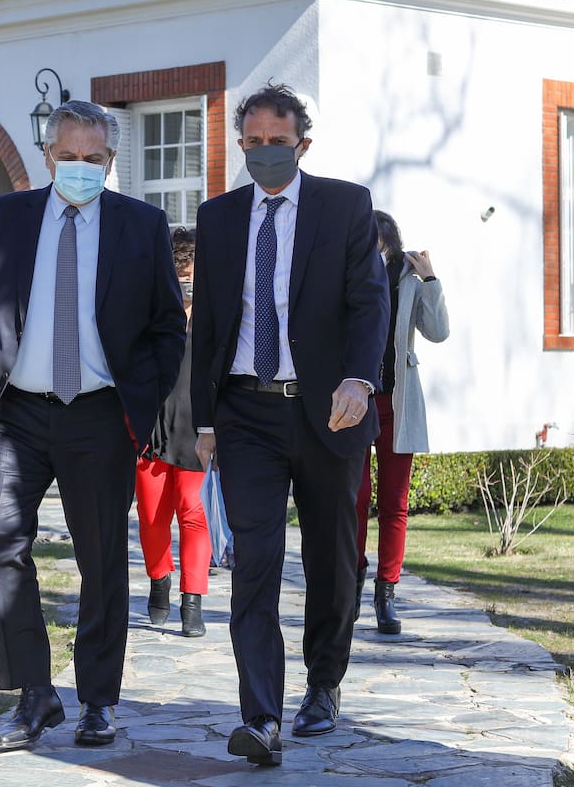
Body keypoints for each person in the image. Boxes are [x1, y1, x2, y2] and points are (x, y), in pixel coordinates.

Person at [0, 100, 186, 752]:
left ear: (110, 163)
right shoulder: (6, 218)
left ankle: (99, 703)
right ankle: (35, 695)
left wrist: (144, 394)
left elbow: (170, 325)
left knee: (102, 562)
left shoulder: (142, 225)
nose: (81, 167)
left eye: (95, 159)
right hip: (15, 413)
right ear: (48, 155)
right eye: (70, 156)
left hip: (100, 416)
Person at [190, 83, 389, 766]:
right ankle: (261, 716)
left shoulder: (344, 206)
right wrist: (205, 419)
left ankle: (323, 685)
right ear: (240, 145)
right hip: (246, 412)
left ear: (303, 143)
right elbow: (209, 325)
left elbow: (370, 302)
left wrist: (361, 380)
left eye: (278, 143)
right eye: (253, 144)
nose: (265, 154)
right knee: (256, 561)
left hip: (329, 411)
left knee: (332, 559)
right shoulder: (217, 218)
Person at [354, 210, 450, 635]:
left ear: (390, 242)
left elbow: (438, 331)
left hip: (398, 400)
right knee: (354, 498)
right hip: (358, 401)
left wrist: (430, 280)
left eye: (378, 242)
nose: (373, 250)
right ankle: (351, 583)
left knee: (394, 503)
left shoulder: (408, 281)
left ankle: (386, 592)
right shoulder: (348, 275)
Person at [137, 226, 210, 638]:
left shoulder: (216, 314)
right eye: (181, 273)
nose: (187, 282)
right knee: (151, 517)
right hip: (151, 426)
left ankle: (192, 599)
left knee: (192, 511)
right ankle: (160, 578)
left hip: (198, 427)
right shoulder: (151, 312)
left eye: (192, 274)